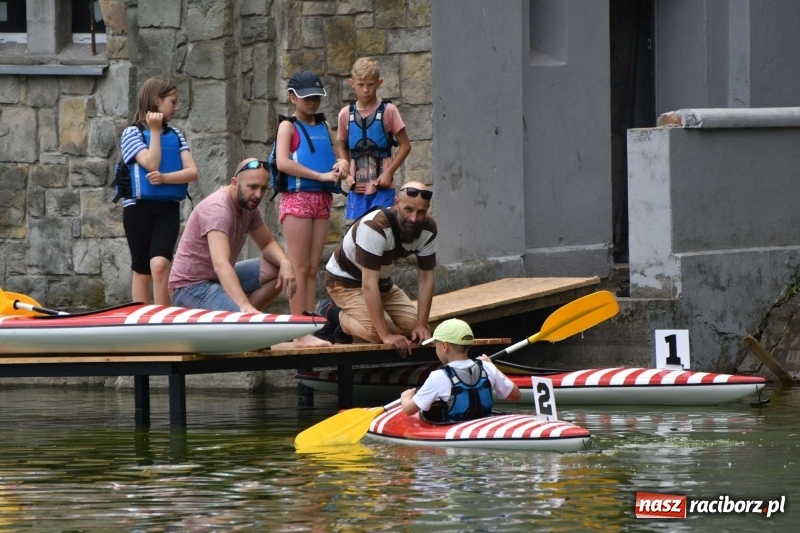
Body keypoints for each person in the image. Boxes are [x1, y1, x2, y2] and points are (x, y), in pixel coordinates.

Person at [316, 182, 436, 357]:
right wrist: (386, 335)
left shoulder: (428, 228)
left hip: (383, 285)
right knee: (379, 334)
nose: (414, 219)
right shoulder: (375, 227)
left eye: (421, 212)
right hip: (344, 282)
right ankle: (330, 312)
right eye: (408, 209)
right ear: (396, 203)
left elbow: (426, 276)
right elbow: (368, 285)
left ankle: (357, 324)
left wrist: (421, 323)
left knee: (416, 333)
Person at [276, 70, 349, 347]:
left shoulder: (324, 125)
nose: (312, 103)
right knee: (297, 266)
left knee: (310, 268)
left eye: (316, 97)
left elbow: (339, 155)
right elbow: (283, 162)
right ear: (293, 98)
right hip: (298, 199)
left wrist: (343, 164)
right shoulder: (288, 126)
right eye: (307, 98)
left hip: (322, 200)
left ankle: (307, 325)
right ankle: (298, 331)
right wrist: (319, 176)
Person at [168, 158, 296, 314]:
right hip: (190, 288)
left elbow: (267, 242)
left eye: (263, 188)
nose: (258, 195)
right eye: (253, 187)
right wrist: (243, 303)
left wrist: (285, 263)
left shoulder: (249, 205)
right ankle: (244, 317)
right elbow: (221, 264)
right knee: (243, 312)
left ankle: (247, 317)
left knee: (278, 267)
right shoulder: (218, 209)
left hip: (217, 279)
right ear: (235, 183)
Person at [119, 77, 198, 305]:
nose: (176, 107)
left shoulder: (176, 134)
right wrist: (154, 131)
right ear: (157, 101)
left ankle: (162, 319)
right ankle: (141, 324)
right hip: (138, 208)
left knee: (161, 264)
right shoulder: (131, 134)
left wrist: (165, 178)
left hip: (167, 208)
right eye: (172, 102)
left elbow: (192, 172)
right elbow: (151, 163)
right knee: (142, 268)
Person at [400, 319, 521, 423]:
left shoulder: (438, 376)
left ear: (444, 346)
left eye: (436, 345)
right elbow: (516, 395)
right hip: (484, 427)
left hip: (454, 439)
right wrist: (491, 366)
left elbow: (409, 410)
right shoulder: (487, 367)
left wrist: (406, 397)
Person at [337, 57, 411, 222]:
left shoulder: (389, 111)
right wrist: (348, 176)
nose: (365, 90)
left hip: (382, 187)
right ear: (352, 83)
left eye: (370, 84)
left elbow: (405, 145)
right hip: (357, 188)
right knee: (357, 235)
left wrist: (389, 172)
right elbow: (342, 145)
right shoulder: (345, 114)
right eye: (360, 84)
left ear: (379, 83)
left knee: (383, 230)